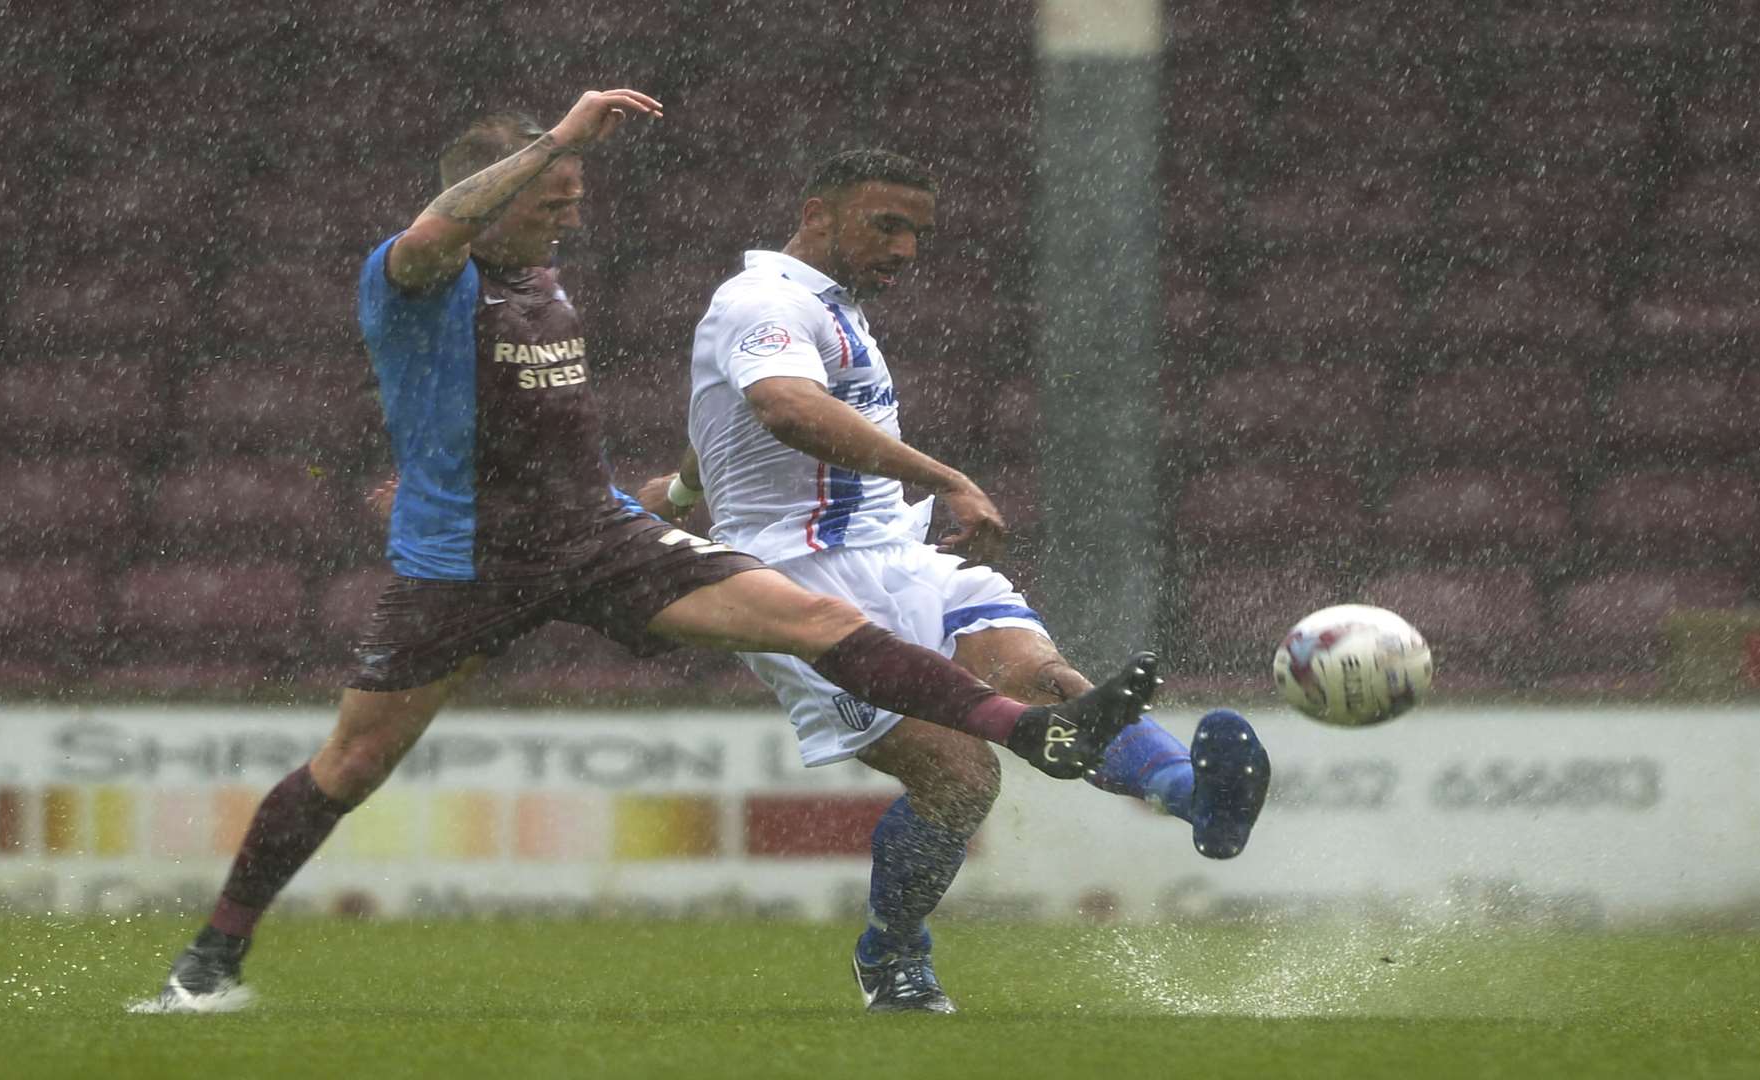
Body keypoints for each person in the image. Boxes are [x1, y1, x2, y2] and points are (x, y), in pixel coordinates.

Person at [133, 93, 1159, 1015]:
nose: (567, 215)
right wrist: (562, 136)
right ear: (489, 195)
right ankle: (215, 952)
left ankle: (1036, 735)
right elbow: (433, 231)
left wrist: (676, 493)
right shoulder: (416, 278)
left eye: (573, 196)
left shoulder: (542, 282)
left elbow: (550, 437)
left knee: (810, 616)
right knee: (351, 766)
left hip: (598, 533)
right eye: (550, 197)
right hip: (464, 563)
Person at [637, 149, 1272, 1014]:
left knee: (1052, 685)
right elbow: (782, 404)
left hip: (901, 556)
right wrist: (944, 476)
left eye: (919, 234)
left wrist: (678, 492)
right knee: (961, 779)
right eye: (886, 225)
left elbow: (738, 416)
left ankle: (1195, 801)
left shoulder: (829, 307)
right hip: (798, 588)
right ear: (818, 213)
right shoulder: (764, 299)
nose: (905, 248)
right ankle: (892, 955)